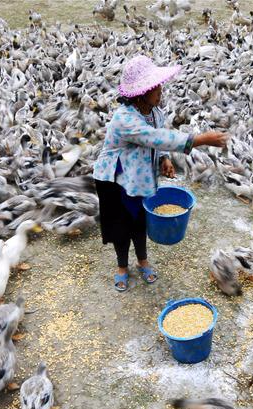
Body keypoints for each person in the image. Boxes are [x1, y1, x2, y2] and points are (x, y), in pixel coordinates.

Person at [93, 55, 228, 292]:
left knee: (140, 221)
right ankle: (122, 267)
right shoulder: (124, 119)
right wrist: (198, 139)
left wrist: (164, 158)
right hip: (116, 179)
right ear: (141, 92)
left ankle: (142, 261)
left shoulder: (153, 112)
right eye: (155, 86)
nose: (160, 90)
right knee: (121, 225)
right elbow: (156, 137)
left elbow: (156, 140)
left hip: (139, 177)